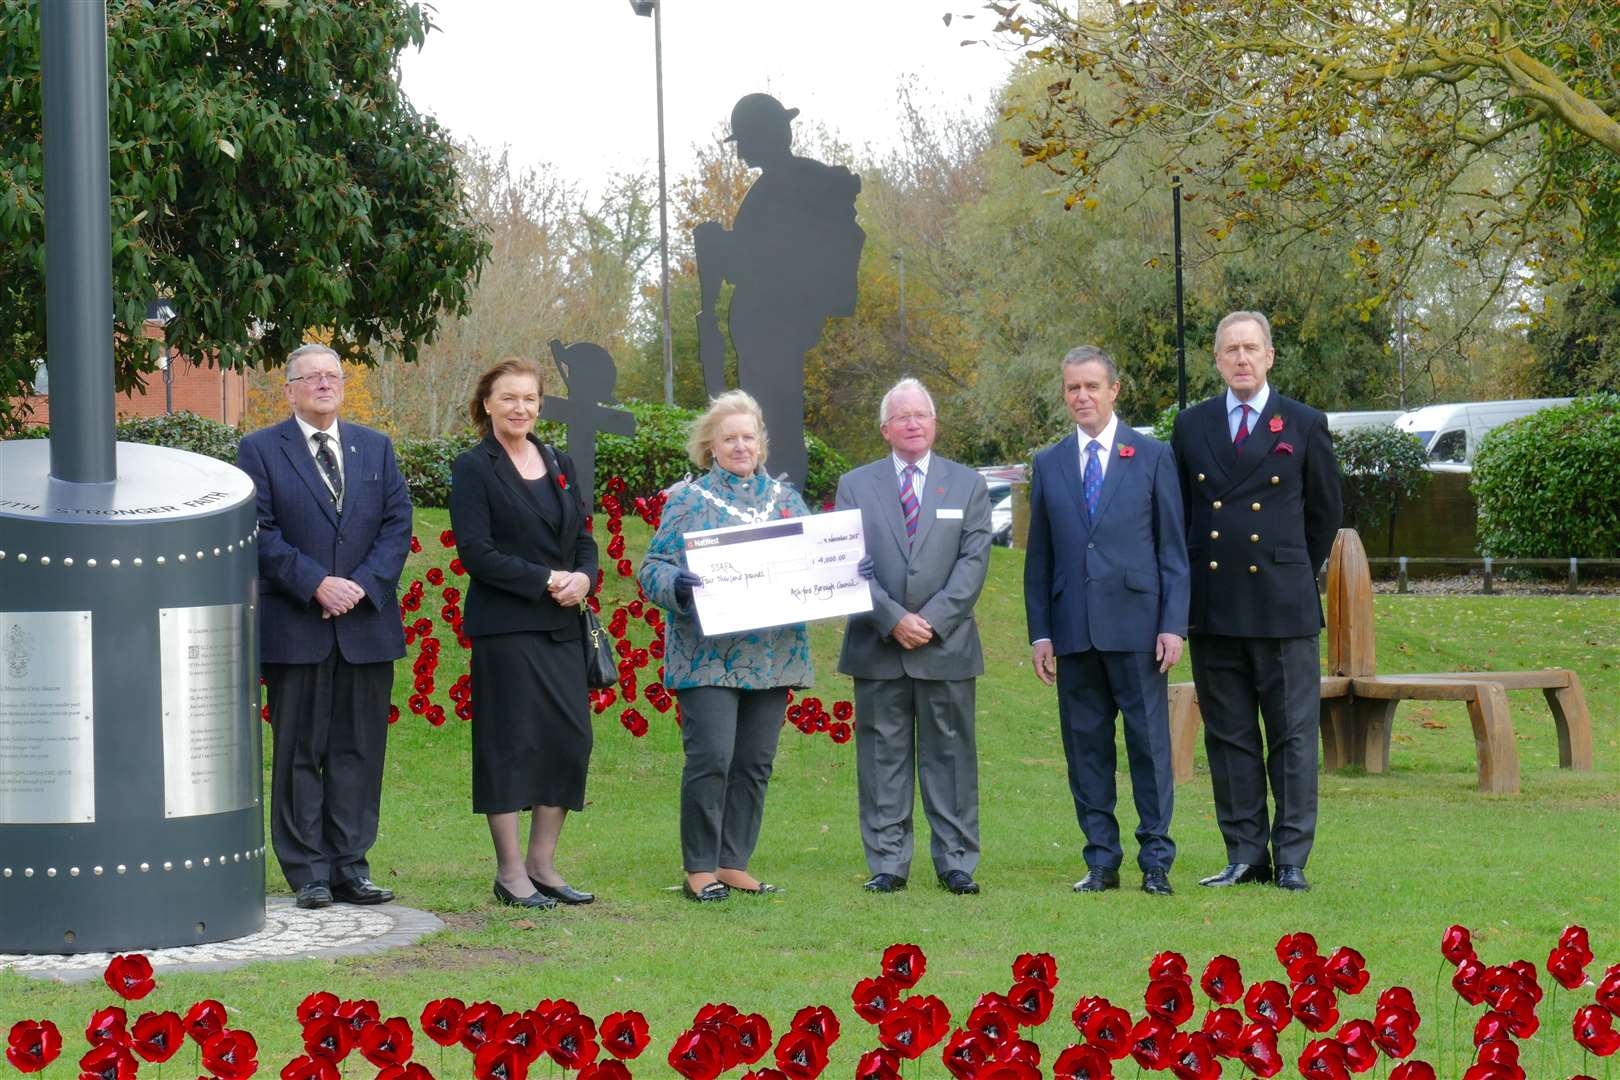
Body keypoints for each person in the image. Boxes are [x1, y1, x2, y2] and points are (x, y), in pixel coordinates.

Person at [1170, 311, 1342, 893]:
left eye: (1251, 348)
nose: (1241, 358)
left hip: (1282, 606)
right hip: (1215, 605)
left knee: (1292, 737)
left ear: (1270, 356)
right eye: (1230, 350)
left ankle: (1291, 856)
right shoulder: (1190, 426)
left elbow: (1324, 515)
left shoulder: (1304, 422)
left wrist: (1288, 567)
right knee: (1230, 734)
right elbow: (1182, 518)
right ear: (1216, 360)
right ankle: (1244, 853)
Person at [237, 343, 412, 910]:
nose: (323, 384)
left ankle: (350, 867)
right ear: (288, 390)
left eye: (332, 375)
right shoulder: (261, 450)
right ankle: (308, 872)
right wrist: (316, 582)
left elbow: (396, 522)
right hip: (298, 627)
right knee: (300, 752)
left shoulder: (375, 448)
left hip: (365, 626)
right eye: (309, 377)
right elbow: (258, 532)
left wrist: (361, 584)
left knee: (359, 751)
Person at [1024, 347, 1189, 897]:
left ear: (1114, 390)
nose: (1082, 397)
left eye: (1092, 386)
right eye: (1073, 388)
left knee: (1149, 748)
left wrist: (1173, 625)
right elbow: (1039, 559)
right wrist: (1041, 632)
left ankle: (1156, 861)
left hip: (1140, 630)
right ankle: (1101, 860)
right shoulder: (1047, 464)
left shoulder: (1150, 455)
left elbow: (1172, 551)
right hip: (1073, 633)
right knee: (1086, 750)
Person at [639, 391, 812, 902]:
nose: (741, 445)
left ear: (762, 443)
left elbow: (816, 556)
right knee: (711, 757)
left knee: (755, 762)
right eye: (729, 438)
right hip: (706, 656)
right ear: (710, 447)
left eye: (748, 437)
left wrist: (847, 569)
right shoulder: (688, 501)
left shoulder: (785, 500)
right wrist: (678, 586)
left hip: (772, 655)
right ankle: (699, 867)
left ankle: (734, 861)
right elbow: (651, 569)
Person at [449, 358, 600, 909]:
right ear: (487, 403)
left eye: (530, 398)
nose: (520, 408)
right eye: (508, 398)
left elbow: (584, 536)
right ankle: (510, 873)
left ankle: (544, 865)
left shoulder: (559, 461)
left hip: (562, 626)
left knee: (567, 742)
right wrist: (544, 579)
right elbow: (475, 553)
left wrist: (584, 577)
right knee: (509, 745)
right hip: (507, 629)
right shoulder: (474, 467)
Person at [834, 378, 992, 895]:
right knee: (882, 759)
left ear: (935, 424)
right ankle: (887, 863)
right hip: (878, 645)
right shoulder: (855, 485)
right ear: (885, 428)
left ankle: (956, 863)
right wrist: (892, 618)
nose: (912, 423)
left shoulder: (967, 485)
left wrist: (933, 620)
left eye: (921, 415)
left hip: (946, 647)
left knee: (951, 759)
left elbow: (973, 563)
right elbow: (845, 561)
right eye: (902, 417)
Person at [693, 93, 864, 490]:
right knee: (770, 414)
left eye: (745, 141)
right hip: (766, 326)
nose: (740, 154)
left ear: (764, 135)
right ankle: (774, 490)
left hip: (773, 326)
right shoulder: (785, 184)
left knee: (772, 417)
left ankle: (778, 493)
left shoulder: (790, 185)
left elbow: (770, 259)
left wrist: (720, 245)